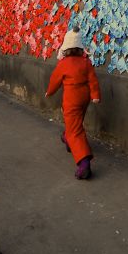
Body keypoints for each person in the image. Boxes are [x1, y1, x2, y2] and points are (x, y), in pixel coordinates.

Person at [45, 28, 101, 179]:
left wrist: (49, 92)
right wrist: (95, 95)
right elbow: (93, 80)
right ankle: (67, 138)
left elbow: (55, 80)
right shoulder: (86, 62)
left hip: (72, 99)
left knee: (75, 131)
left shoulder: (63, 64)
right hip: (84, 98)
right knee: (75, 122)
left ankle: (84, 162)